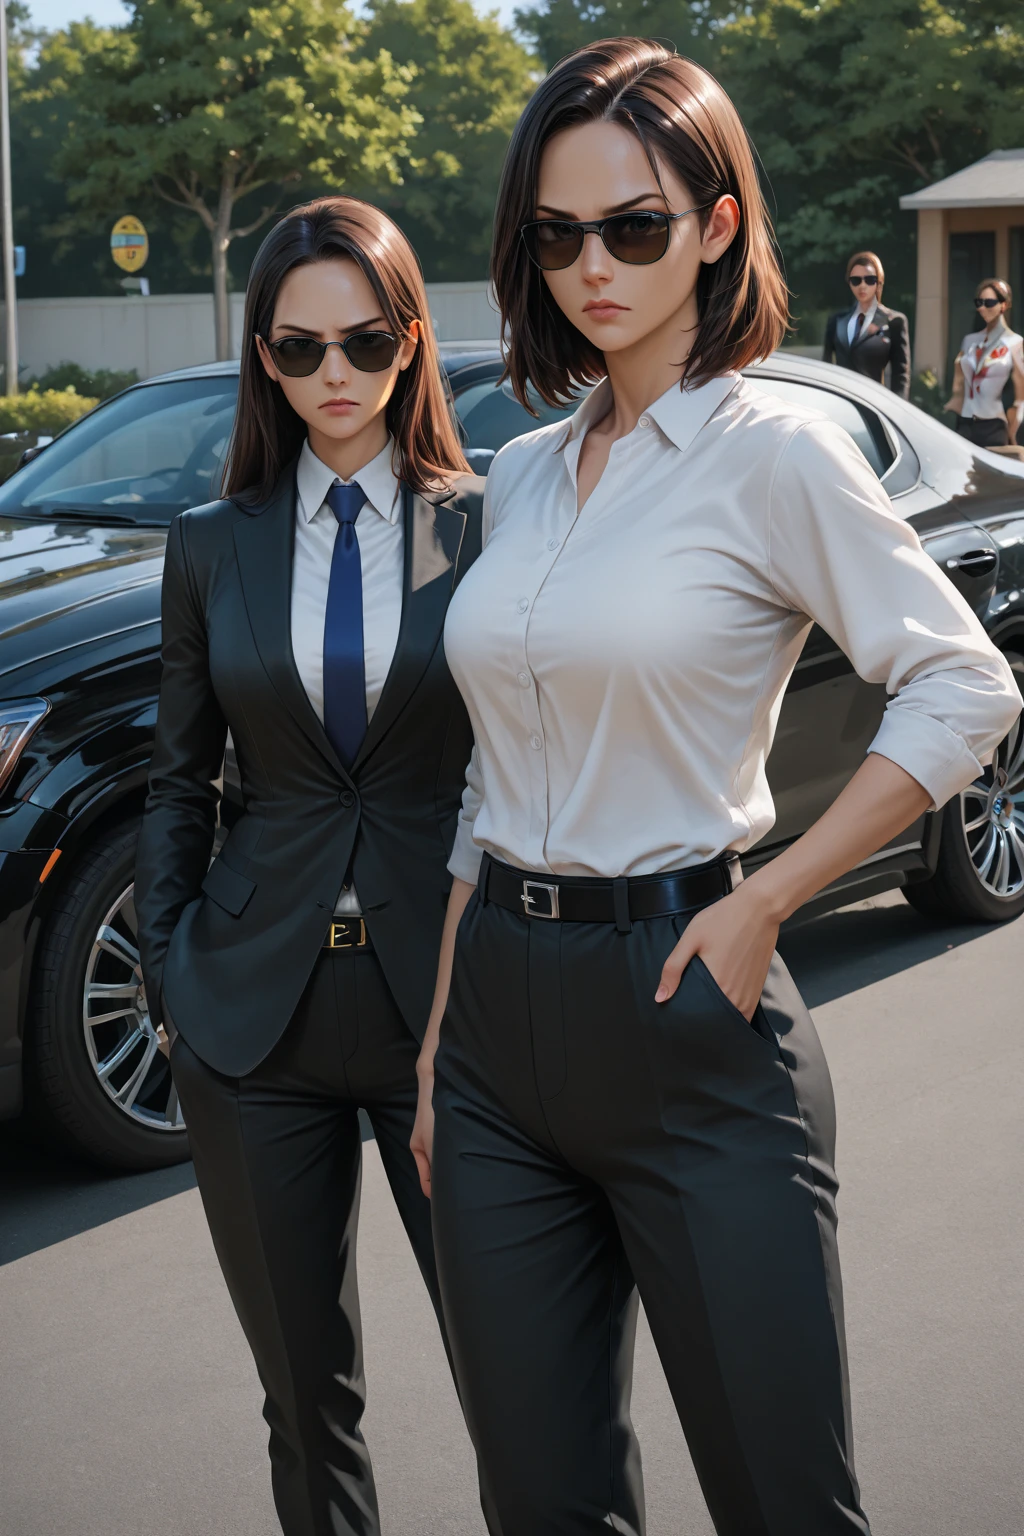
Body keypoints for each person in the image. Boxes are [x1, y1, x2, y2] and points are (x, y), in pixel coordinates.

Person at [410, 39, 1022, 1536]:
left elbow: (968, 683)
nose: (592, 267)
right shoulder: (532, 471)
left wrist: (774, 897)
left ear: (721, 223)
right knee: (539, 1507)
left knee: (783, 1505)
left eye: (635, 227)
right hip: (494, 1037)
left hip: (692, 1007)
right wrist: (438, 1041)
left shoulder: (779, 454)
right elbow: (493, 778)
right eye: (558, 235)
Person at [134, 196, 493, 1536]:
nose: (333, 374)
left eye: (364, 341)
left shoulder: (489, 526)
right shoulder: (210, 546)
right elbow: (181, 780)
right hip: (251, 1019)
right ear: (265, 363)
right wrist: (174, 973)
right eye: (298, 350)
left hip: (445, 1016)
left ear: (409, 343)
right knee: (305, 1403)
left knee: (519, 1385)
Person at [945, 277, 1024, 449]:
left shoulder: (1015, 343)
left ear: (1004, 305)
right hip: (965, 422)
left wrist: (1013, 431)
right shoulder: (969, 341)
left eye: (989, 302)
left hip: (994, 425)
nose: (982, 308)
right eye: (979, 302)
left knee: (991, 475)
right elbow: (959, 382)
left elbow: (1021, 395)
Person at [823, 250, 911, 397]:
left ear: (879, 282)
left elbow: (901, 374)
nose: (862, 286)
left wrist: (898, 410)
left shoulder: (895, 321)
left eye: (870, 280)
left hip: (873, 402)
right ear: (849, 282)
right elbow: (826, 366)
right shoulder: (836, 320)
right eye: (856, 280)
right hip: (841, 401)